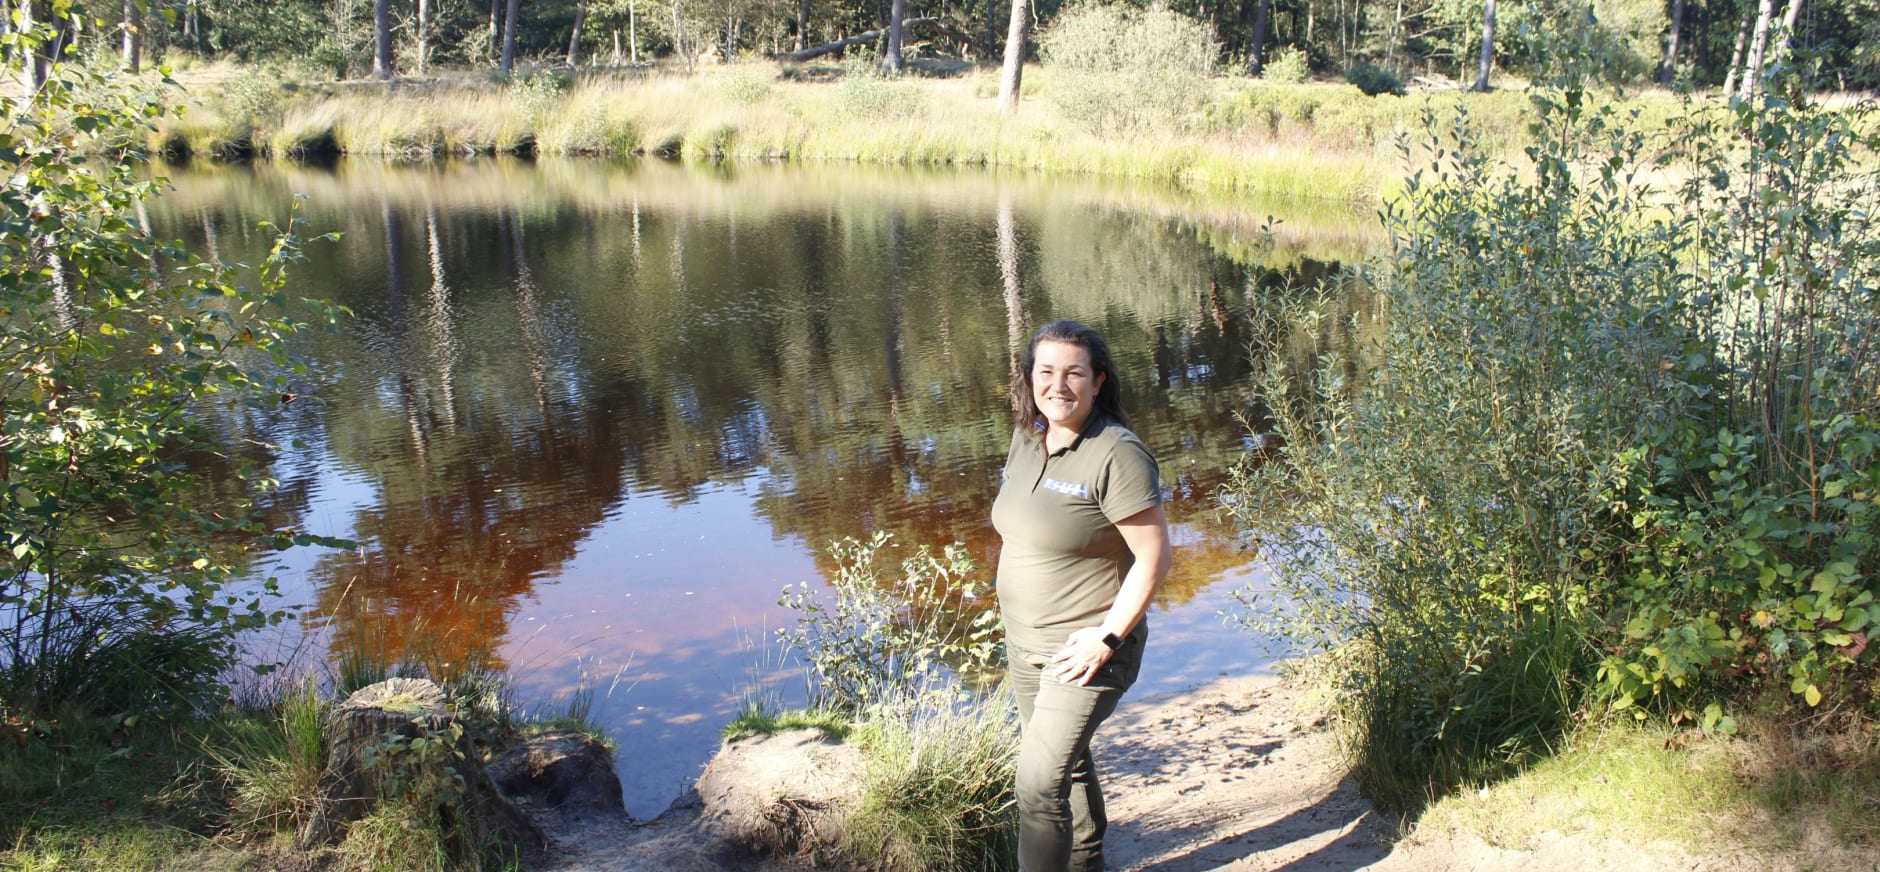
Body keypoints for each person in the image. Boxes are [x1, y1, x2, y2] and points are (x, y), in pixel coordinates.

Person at [991, 320, 1173, 872]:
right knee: (1063, 771)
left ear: (1098, 381)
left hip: (1086, 650)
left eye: (1074, 373)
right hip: (1025, 646)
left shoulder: (1117, 454)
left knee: (1037, 783)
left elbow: (1156, 557)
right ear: (1029, 379)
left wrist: (1107, 637)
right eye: (1046, 371)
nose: (1058, 385)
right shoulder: (1027, 437)